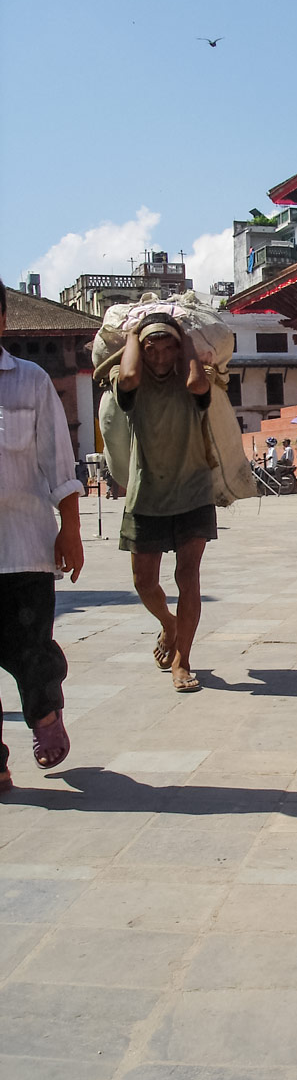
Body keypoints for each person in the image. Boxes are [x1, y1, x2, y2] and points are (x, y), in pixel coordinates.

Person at [0, 277, 84, 790]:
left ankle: (45, 715)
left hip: (25, 546)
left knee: (31, 650)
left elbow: (59, 459)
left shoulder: (29, 381)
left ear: (3, 320)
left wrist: (70, 528)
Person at [113, 312, 215, 693]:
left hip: (192, 492)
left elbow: (195, 380)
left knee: (188, 578)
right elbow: (127, 376)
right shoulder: (131, 387)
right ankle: (169, 625)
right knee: (144, 581)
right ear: (141, 350)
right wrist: (134, 334)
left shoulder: (194, 384)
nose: (160, 357)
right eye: (151, 350)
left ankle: (182, 660)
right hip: (147, 496)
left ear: (179, 350)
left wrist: (184, 336)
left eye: (168, 348)